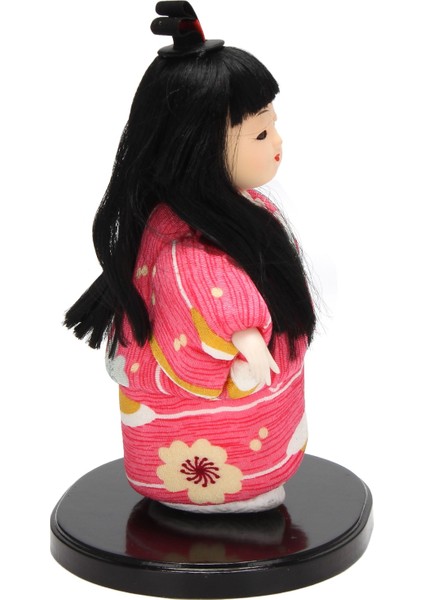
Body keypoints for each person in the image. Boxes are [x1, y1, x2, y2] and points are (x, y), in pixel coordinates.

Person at [65, 1, 316, 512]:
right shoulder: (180, 239)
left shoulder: (234, 207)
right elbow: (207, 289)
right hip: (207, 446)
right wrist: (245, 336)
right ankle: (226, 492)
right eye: (260, 133)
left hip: (254, 391)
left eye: (273, 126)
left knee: (263, 421)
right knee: (225, 449)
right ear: (197, 147)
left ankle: (255, 473)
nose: (278, 143)